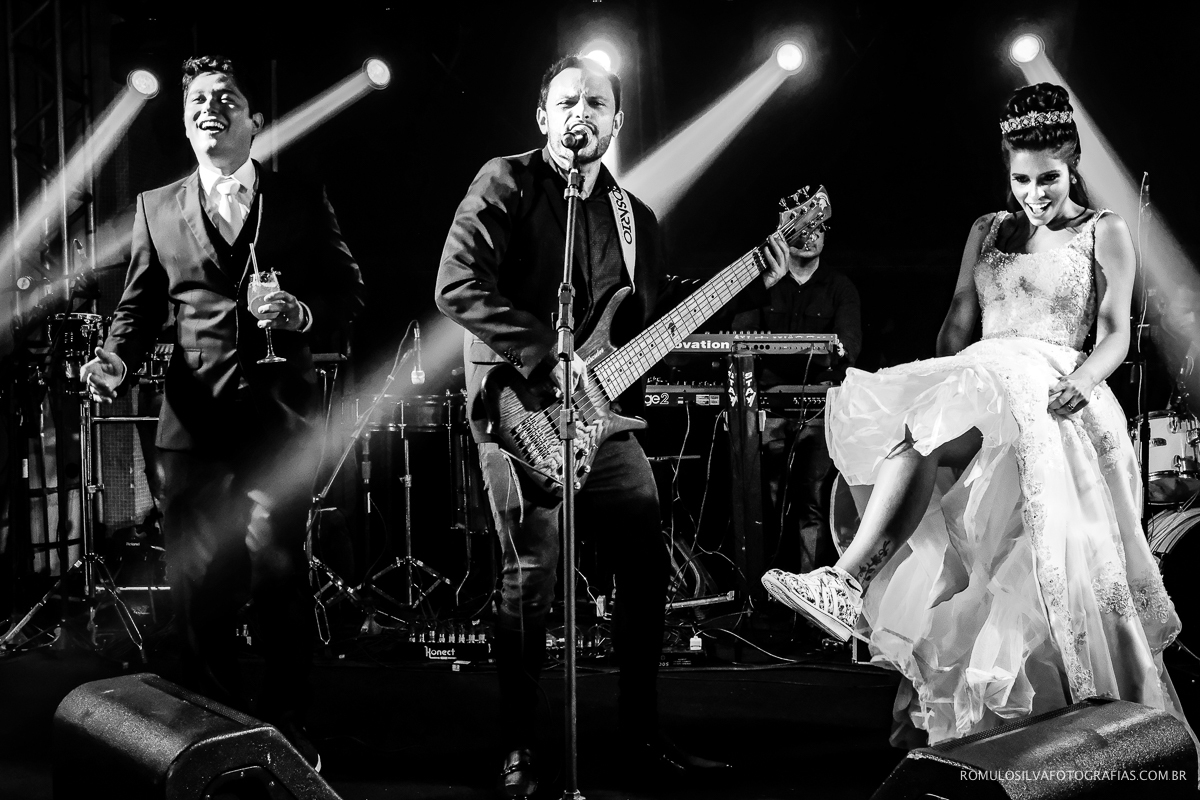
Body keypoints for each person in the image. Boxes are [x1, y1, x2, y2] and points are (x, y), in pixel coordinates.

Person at [762, 83, 1192, 746]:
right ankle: (845, 582)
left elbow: (1113, 333)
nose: (1034, 194)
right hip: (984, 380)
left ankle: (1084, 738)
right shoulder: (987, 230)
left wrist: (1083, 378)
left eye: (1047, 178)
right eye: (1020, 179)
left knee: (1040, 579)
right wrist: (942, 378)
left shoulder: (1102, 231)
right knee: (913, 436)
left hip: (1053, 388)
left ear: (1074, 160)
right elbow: (959, 319)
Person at [435, 55, 731, 797]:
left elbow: (639, 331)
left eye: (596, 103)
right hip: (517, 411)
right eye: (566, 101)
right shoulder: (505, 182)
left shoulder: (641, 222)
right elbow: (456, 285)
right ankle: (519, 749)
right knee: (531, 573)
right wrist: (545, 356)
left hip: (603, 418)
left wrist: (650, 352)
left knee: (645, 556)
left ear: (617, 121)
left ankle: (639, 734)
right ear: (543, 117)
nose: (581, 114)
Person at [80, 55, 365, 768]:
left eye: (226, 98)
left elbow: (347, 293)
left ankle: (286, 725)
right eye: (197, 100)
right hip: (193, 429)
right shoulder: (154, 206)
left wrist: (301, 313)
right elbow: (138, 310)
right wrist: (115, 357)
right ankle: (215, 724)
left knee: (277, 573)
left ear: (254, 121)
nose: (210, 107)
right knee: (198, 583)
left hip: (278, 423)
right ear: (185, 123)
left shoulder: (299, 197)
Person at [726, 218, 862, 576]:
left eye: (816, 227)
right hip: (766, 407)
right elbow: (740, 342)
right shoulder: (764, 286)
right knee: (764, 502)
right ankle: (766, 589)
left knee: (811, 501)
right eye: (800, 228)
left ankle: (804, 593)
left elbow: (847, 353)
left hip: (817, 412)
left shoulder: (839, 288)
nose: (808, 235)